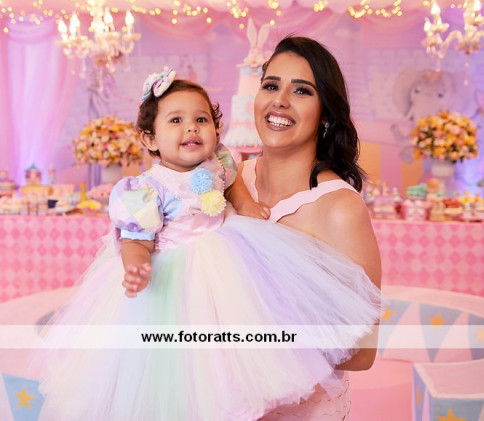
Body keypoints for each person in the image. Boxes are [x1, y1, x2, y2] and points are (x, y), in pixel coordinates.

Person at [37, 67, 382, 421]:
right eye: (176, 120)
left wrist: (245, 206)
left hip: (228, 257)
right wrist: (136, 263)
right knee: (180, 362)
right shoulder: (145, 188)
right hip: (175, 277)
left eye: (201, 119)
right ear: (150, 139)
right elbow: (135, 236)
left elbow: (232, 185)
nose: (191, 128)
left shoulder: (221, 163)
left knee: (237, 338)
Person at [229, 36, 383, 419]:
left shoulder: (339, 208)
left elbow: (362, 351)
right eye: (271, 85)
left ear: (325, 113)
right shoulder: (227, 182)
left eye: (301, 91)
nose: (280, 100)